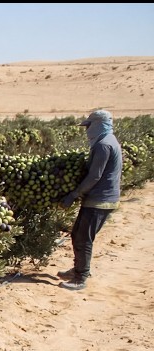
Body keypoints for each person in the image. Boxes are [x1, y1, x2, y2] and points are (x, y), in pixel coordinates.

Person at [57, 109, 123, 291]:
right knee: (78, 234)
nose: (87, 131)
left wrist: (73, 194)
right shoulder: (109, 140)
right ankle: (79, 268)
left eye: (88, 126)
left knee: (83, 238)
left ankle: (80, 278)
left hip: (100, 200)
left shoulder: (103, 145)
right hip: (100, 198)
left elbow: (95, 176)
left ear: (97, 125)